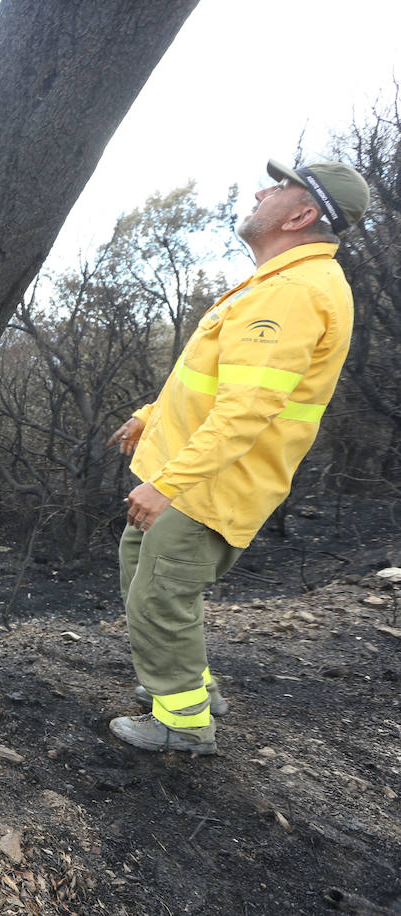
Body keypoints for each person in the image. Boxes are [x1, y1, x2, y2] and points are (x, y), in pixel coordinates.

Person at [106, 158, 369, 755]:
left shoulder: (296, 292)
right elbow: (224, 381)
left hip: (209, 486)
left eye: (280, 187)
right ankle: (191, 685)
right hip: (193, 476)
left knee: (161, 594)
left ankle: (182, 724)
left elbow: (246, 411)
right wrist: (151, 413)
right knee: (142, 575)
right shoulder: (279, 283)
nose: (260, 191)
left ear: (303, 215)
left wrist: (169, 483)